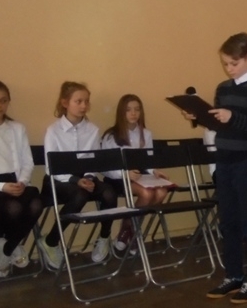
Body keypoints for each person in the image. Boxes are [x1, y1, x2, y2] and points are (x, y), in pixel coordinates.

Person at [201, 32, 247, 304]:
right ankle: (233, 275)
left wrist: (233, 117)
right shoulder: (223, 88)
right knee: (227, 221)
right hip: (225, 160)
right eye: (225, 64)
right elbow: (220, 124)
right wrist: (200, 117)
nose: (229, 69)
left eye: (234, 63)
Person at [39, 81, 118, 269]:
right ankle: (51, 241)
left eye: (86, 101)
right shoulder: (53, 130)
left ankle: (104, 237)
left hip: (85, 177)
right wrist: (76, 180)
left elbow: (93, 161)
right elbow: (51, 168)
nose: (84, 105)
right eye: (78, 101)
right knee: (80, 194)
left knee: (109, 192)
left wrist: (89, 177)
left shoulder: (93, 130)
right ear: (65, 103)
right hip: (58, 179)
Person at [101, 94, 170, 255]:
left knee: (161, 191)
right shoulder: (111, 135)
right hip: (117, 178)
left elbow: (147, 161)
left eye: (137, 109)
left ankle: (128, 231)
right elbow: (105, 167)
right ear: (121, 112)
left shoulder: (146, 133)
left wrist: (154, 171)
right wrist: (124, 174)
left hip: (140, 176)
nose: (133, 113)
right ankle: (131, 233)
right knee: (146, 193)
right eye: (128, 110)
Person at [0, 81, 43, 277]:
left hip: (16, 182)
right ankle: (8, 246)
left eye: (3, 101)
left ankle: (5, 248)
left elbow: (27, 162)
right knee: (13, 208)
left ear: (9, 102)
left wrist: (22, 182)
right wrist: (2, 186)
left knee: (36, 203)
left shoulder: (17, 128)